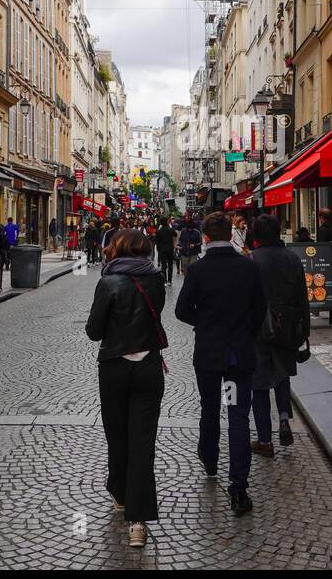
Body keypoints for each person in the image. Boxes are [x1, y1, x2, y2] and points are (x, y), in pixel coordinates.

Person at [175, 212, 267, 516]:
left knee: (210, 407)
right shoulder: (248, 267)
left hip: (210, 355)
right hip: (238, 356)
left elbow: (181, 310)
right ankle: (239, 488)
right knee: (239, 417)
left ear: (204, 237)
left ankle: (210, 459)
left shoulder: (199, 270)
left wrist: (206, 323)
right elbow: (259, 309)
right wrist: (244, 333)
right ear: (230, 235)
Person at [86, 229, 167, 548]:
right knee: (143, 442)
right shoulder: (156, 279)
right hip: (148, 367)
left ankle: (119, 493)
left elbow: (94, 332)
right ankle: (138, 522)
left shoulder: (108, 282)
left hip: (115, 368)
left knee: (117, 434)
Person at [249, 215, 309, 456]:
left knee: (260, 384)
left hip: (259, 329)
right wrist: (304, 331)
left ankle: (265, 439)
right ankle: (284, 417)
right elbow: (302, 297)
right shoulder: (292, 259)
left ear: (256, 235)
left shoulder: (251, 261)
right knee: (283, 374)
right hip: (288, 327)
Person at [153, 216, 177, 285]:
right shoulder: (171, 230)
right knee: (170, 265)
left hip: (162, 250)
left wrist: (159, 247)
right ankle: (170, 281)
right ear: (167, 222)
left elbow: (156, 241)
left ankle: (165, 281)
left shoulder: (159, 231)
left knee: (163, 265)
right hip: (170, 249)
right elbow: (175, 235)